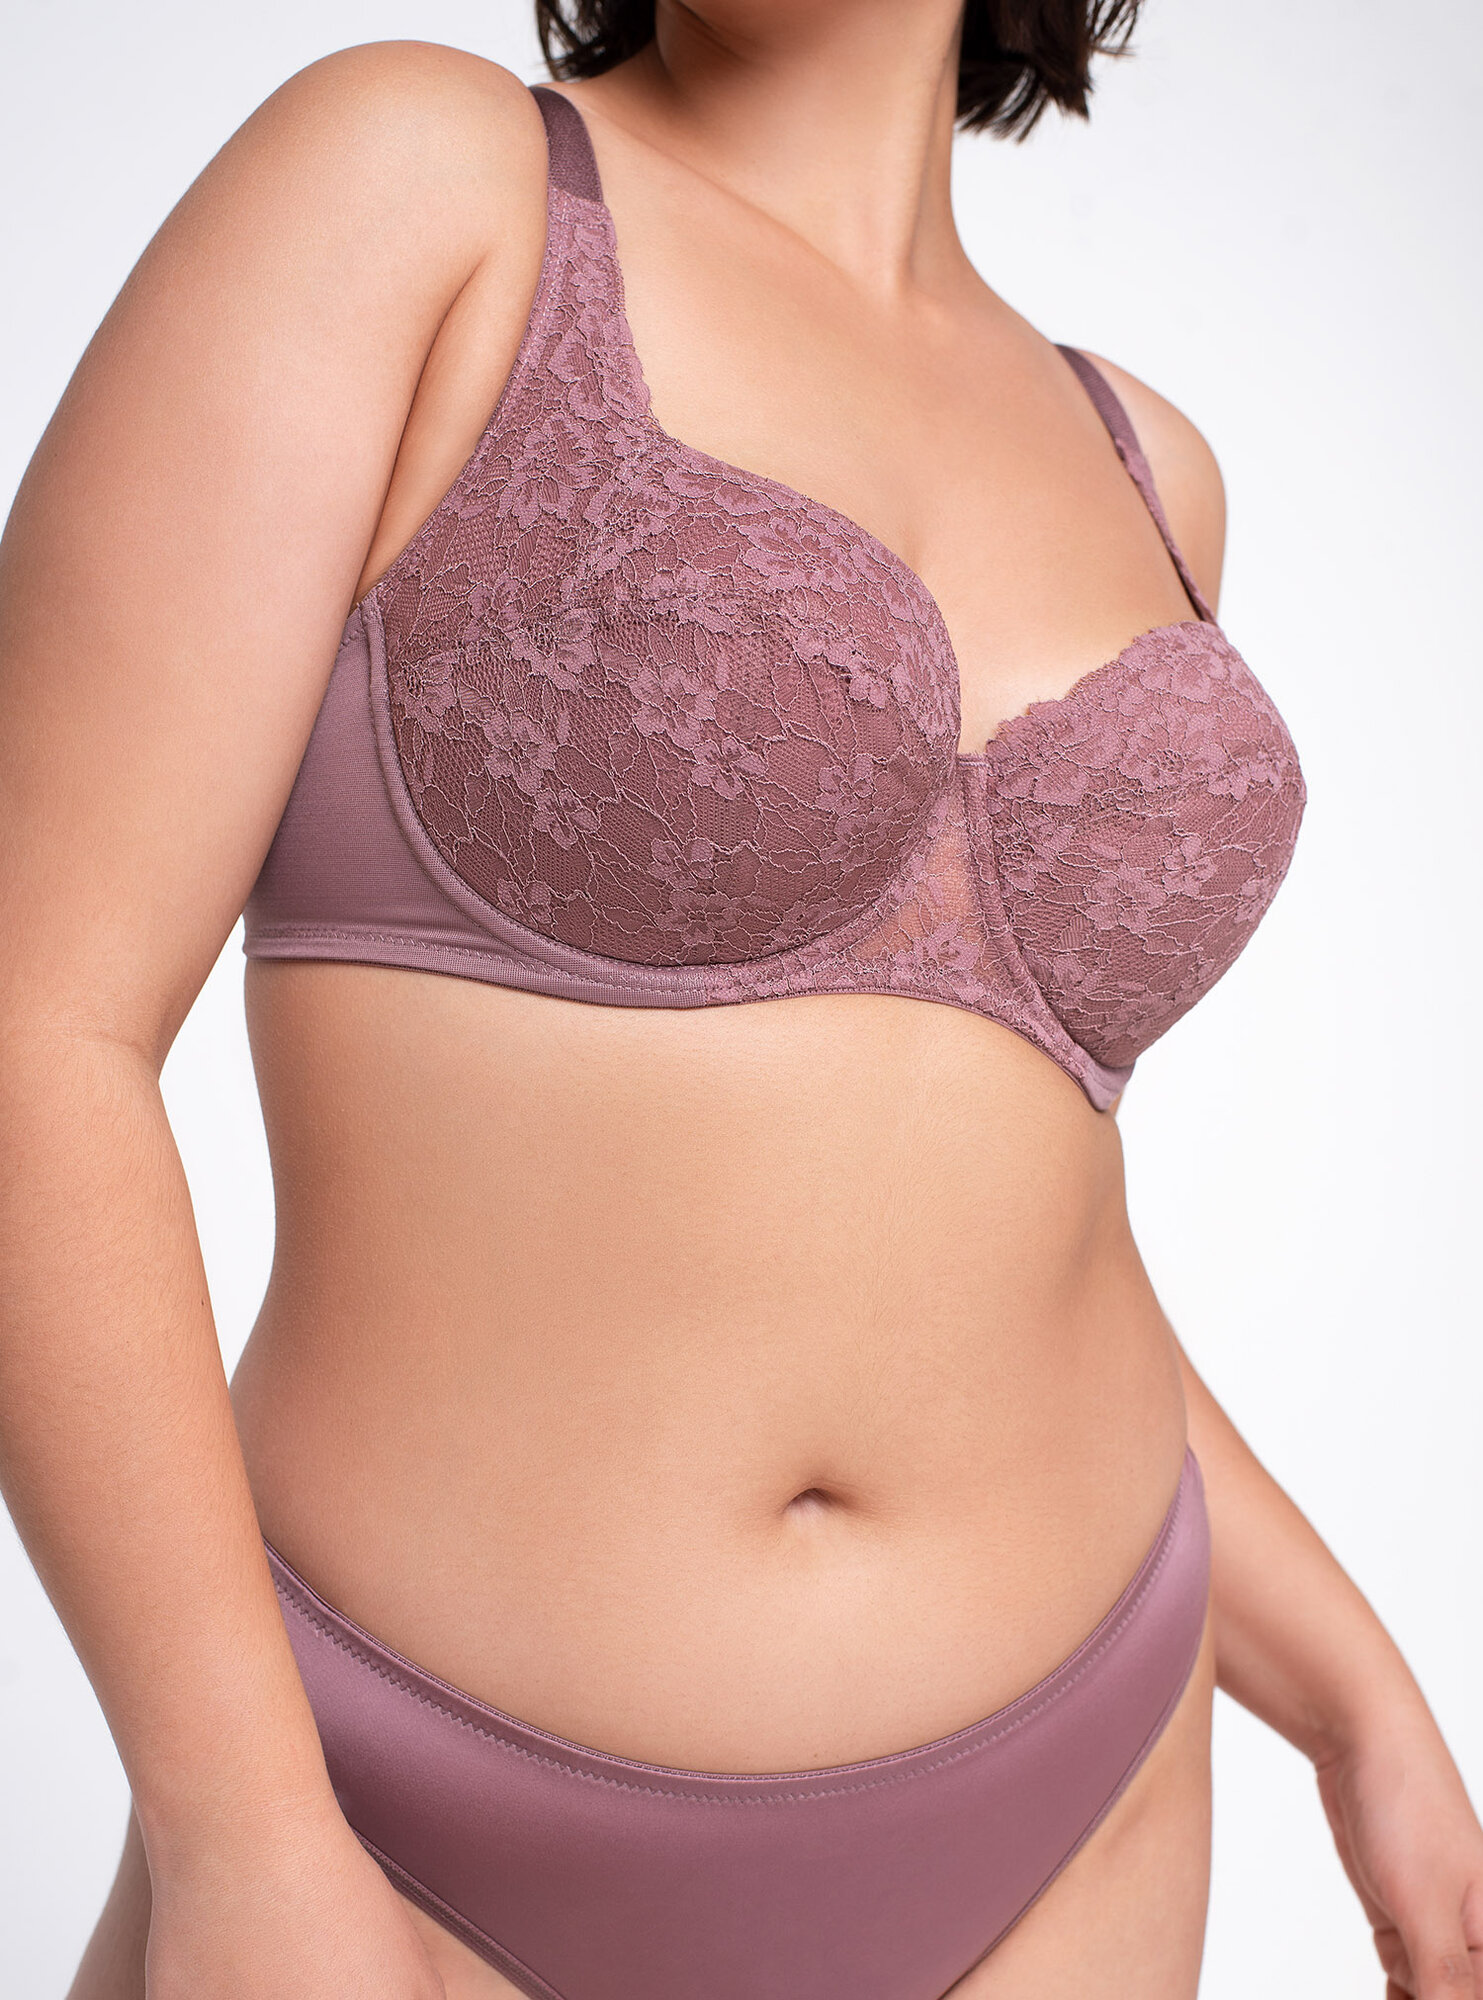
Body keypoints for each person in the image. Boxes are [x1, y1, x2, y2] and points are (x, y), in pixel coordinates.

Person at [1, 2, 1478, 1995]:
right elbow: (40, 1026)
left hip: (1080, 1803)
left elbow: (1007, 1220)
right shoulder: (424, 190)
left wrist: (1356, 1692)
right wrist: (239, 1826)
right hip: (402, 1815)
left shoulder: (1151, 472)